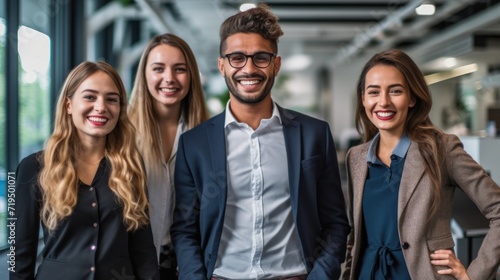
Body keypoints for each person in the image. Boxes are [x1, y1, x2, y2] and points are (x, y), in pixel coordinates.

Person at [170, 4, 350, 280]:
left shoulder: (315, 135)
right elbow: (185, 229)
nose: (249, 69)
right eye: (237, 58)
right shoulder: (193, 145)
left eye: (261, 58)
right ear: (222, 65)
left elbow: (335, 223)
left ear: (276, 65)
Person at [342, 49, 500, 280]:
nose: (383, 102)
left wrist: (474, 275)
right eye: (374, 92)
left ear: (412, 97)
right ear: (364, 99)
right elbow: (355, 237)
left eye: (395, 91)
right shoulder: (356, 157)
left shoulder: (441, 149)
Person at [11, 61, 159, 280]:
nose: (101, 107)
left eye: (111, 99)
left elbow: (143, 251)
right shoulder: (32, 167)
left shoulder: (131, 166)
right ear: (69, 105)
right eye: (90, 97)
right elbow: (19, 253)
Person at [128, 33, 210, 278]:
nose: (169, 78)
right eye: (158, 68)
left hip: (185, 265)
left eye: (180, 69)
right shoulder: (122, 134)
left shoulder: (208, 138)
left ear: (191, 75)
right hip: (128, 264)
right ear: (145, 75)